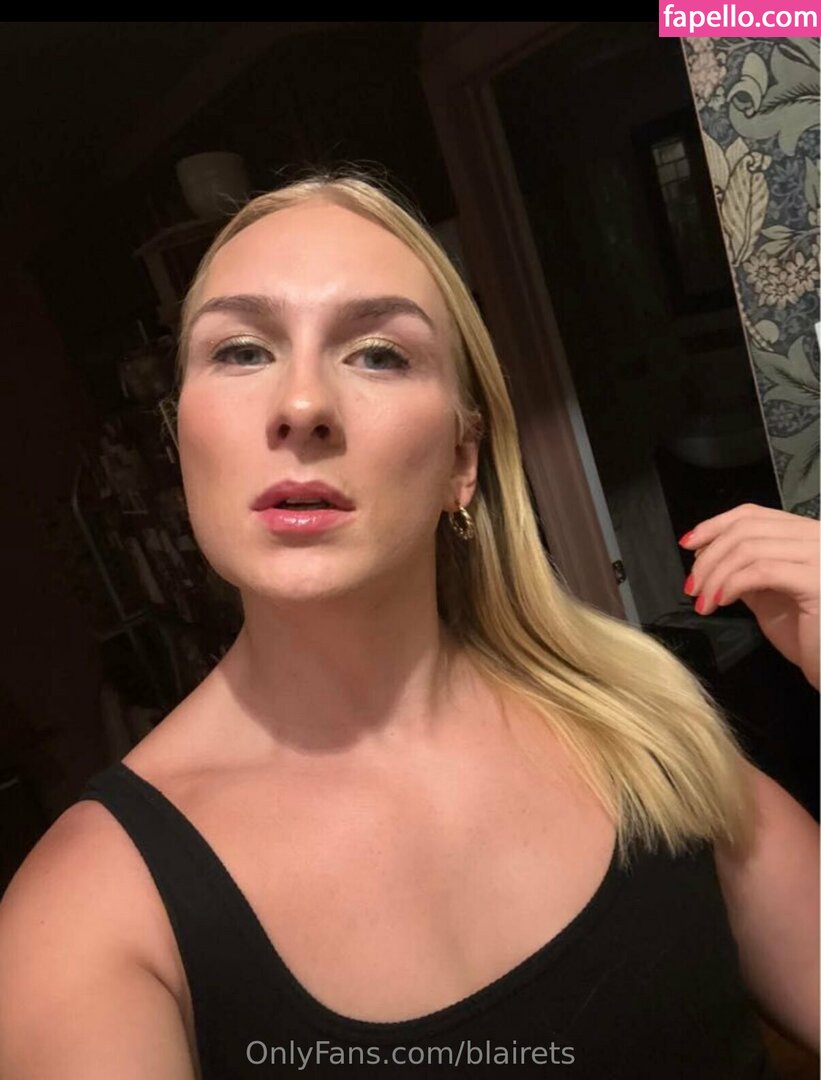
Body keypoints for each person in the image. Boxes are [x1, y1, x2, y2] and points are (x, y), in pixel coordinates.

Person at [0, 170, 817, 1079]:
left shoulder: (644, 732)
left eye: (378, 354)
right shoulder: (88, 913)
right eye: (241, 350)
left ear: (462, 461)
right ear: (180, 435)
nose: (301, 406)